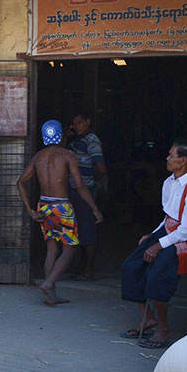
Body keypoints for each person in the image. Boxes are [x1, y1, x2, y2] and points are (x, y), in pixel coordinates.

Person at [121, 139, 187, 349]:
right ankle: (148, 318)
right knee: (131, 266)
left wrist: (159, 245)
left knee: (157, 275)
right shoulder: (169, 182)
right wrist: (152, 236)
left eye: (171, 156)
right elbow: (168, 216)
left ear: (184, 160)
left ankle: (163, 328)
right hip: (168, 231)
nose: (167, 159)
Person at [17, 120, 103, 305]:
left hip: (44, 206)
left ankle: (51, 293)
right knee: (70, 248)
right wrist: (94, 208)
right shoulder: (68, 155)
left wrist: (30, 210)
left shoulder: (38, 157)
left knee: (52, 249)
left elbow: (20, 182)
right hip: (62, 206)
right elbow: (79, 185)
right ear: (61, 135)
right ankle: (49, 285)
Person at [64, 112, 106, 280]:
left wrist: (88, 180)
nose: (77, 126)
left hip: (85, 190)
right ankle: (80, 266)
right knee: (78, 228)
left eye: (80, 122)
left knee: (88, 229)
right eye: (74, 124)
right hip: (74, 190)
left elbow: (100, 168)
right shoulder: (75, 141)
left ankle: (88, 268)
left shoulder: (92, 140)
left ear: (88, 121)